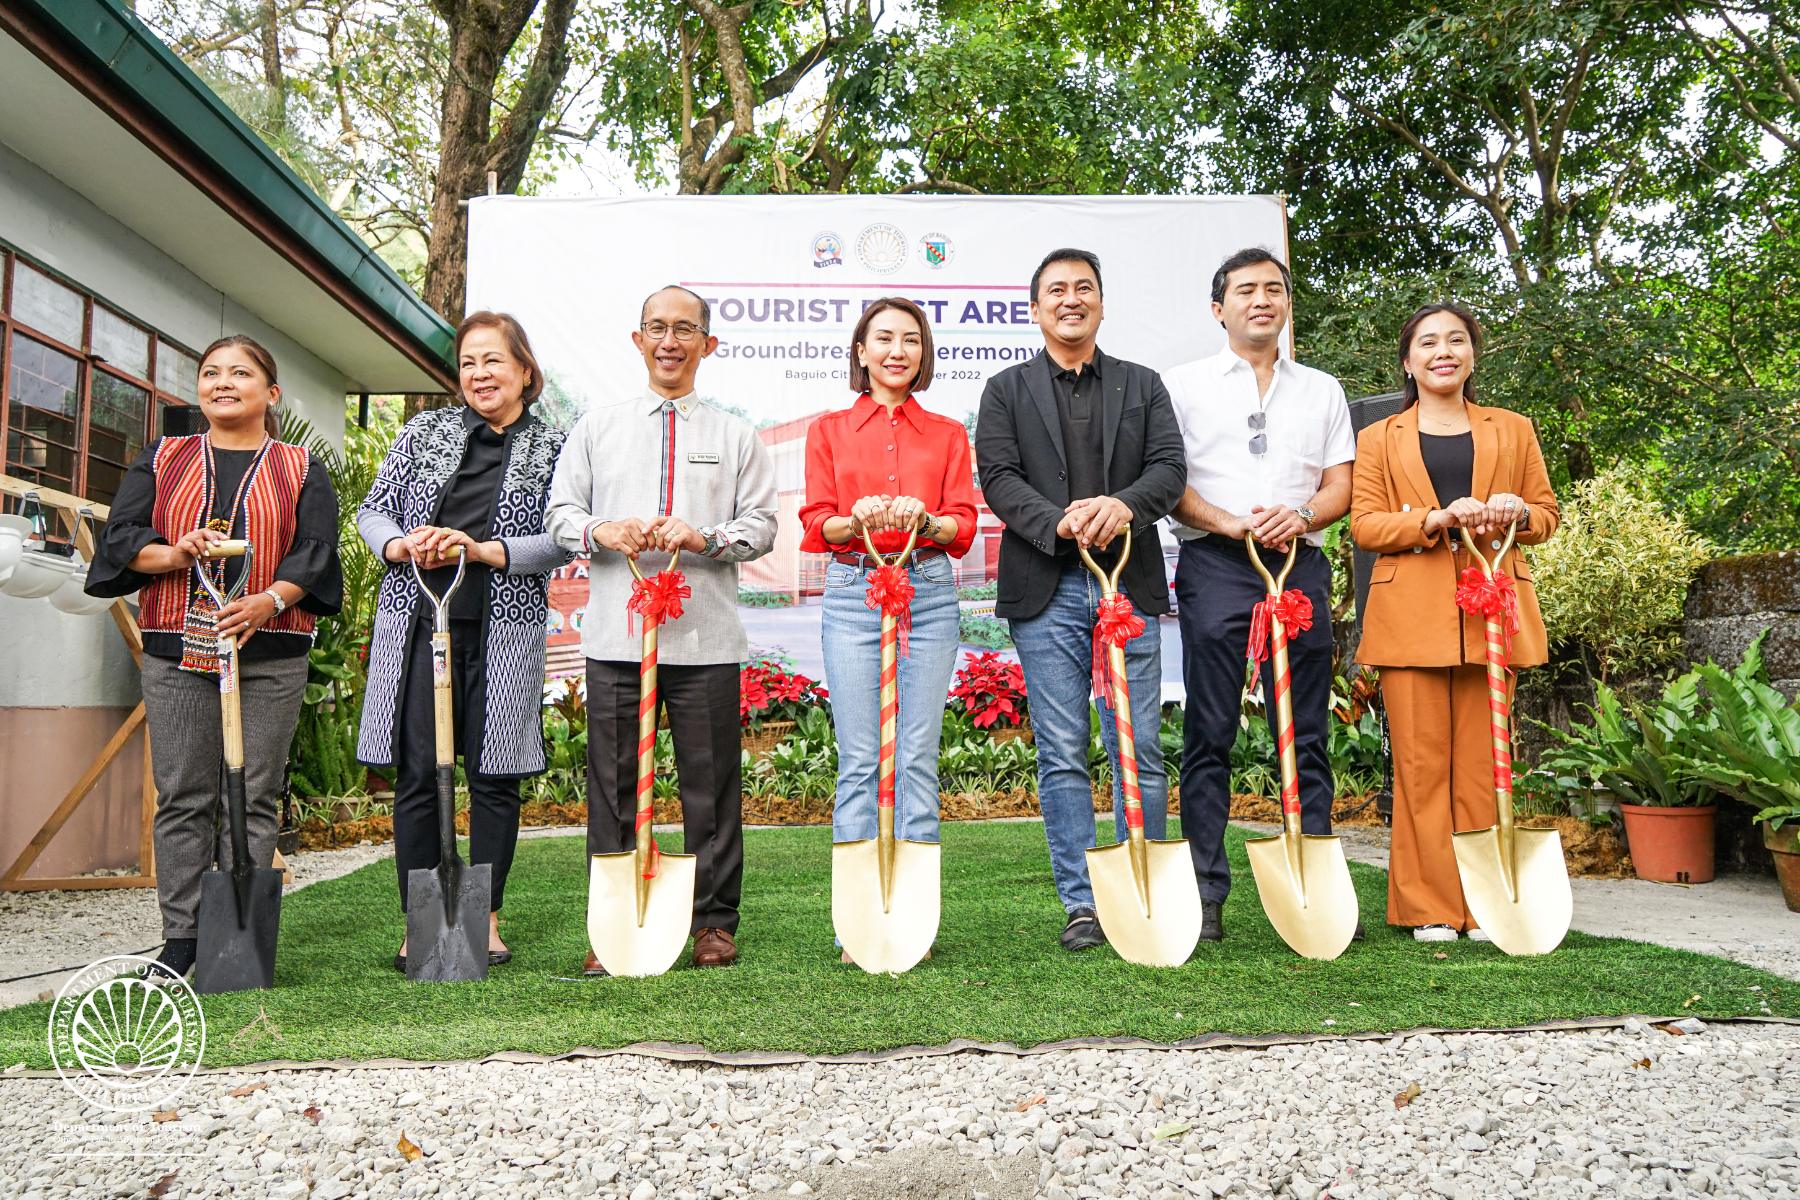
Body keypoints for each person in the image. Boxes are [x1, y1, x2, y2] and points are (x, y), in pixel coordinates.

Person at [85, 335, 341, 980]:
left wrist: (269, 602)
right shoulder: (163, 456)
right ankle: (181, 942)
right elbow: (121, 538)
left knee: (253, 794)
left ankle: (241, 945)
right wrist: (178, 552)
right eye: (211, 373)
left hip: (271, 649)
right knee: (183, 796)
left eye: (240, 373)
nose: (223, 382)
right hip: (176, 648)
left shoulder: (303, 467)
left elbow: (314, 551)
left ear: (270, 392)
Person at [548, 285, 777, 973]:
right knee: (612, 788)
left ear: (708, 344)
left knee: (711, 787)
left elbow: (762, 527)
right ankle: (613, 922)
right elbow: (561, 515)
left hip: (705, 639)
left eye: (685, 329)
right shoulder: (597, 427)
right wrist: (602, 530)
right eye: (657, 328)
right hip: (618, 639)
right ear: (638, 340)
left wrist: (705, 536)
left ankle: (712, 922)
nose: (670, 341)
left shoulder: (735, 435)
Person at [973, 248, 1187, 953]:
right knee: (1062, 750)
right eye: (1056, 290)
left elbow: (1168, 471)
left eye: (1084, 288)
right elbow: (999, 477)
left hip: (1127, 581)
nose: (1071, 299)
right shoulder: (1005, 390)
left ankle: (1144, 890)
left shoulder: (1143, 384)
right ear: (1034, 309)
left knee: (1141, 746)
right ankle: (1082, 906)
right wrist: (1058, 521)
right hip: (1046, 587)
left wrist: (1120, 506)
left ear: (1102, 303)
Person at [356, 312, 569, 971]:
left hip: (503, 629)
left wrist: (485, 550)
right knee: (420, 774)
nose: (479, 373)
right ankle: (421, 923)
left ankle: (487, 918)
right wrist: (399, 543)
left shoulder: (556, 447)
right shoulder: (425, 432)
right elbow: (374, 509)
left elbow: (563, 538)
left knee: (495, 774)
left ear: (524, 373)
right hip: (423, 623)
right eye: (469, 362)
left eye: (493, 361)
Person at [1163, 247, 1357, 944]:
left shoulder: (1322, 389)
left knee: (1305, 728)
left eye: (1274, 289)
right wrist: (1228, 521)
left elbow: (1340, 483)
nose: (1262, 300)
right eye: (1245, 291)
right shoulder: (1182, 386)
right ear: (1219, 309)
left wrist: (1302, 515)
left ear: (1286, 305)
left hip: (1297, 562)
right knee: (1209, 729)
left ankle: (1315, 885)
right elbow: (1169, 482)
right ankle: (1206, 894)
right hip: (1216, 561)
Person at [1350, 303, 1558, 941]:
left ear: (1473, 354)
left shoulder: (1513, 429)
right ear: (1408, 361)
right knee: (1419, 766)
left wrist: (1517, 513)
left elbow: (1547, 517)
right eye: (1429, 343)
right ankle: (1431, 907)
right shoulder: (1379, 437)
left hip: (1491, 614)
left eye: (1457, 340)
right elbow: (1363, 525)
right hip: (1411, 617)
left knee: (1483, 765)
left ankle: (1486, 902)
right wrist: (1432, 520)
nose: (1444, 351)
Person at [797, 298, 979, 961]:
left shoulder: (949, 434)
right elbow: (816, 524)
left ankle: (912, 920)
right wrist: (858, 520)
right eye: (884, 339)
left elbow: (962, 524)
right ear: (862, 352)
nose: (897, 350)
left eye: (911, 339)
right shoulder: (829, 431)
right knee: (859, 759)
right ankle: (858, 924)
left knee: (917, 757)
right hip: (853, 589)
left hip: (926, 590)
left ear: (923, 354)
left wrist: (927, 523)